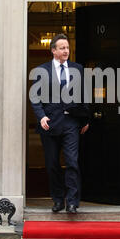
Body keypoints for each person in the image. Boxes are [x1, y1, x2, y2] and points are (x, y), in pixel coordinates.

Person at [30, 34, 89, 214]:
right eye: (62, 48)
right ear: (53, 50)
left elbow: (85, 96)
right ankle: (57, 200)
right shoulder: (42, 70)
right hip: (50, 124)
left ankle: (72, 202)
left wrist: (85, 119)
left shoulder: (77, 69)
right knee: (53, 164)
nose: (66, 51)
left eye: (67, 48)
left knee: (72, 162)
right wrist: (41, 116)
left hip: (71, 123)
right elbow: (35, 98)